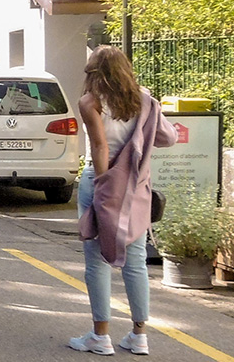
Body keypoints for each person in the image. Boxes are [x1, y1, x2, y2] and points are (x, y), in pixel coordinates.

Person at [69, 46, 176, 356]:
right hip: (136, 185)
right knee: (136, 261)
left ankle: (100, 335)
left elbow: (100, 148)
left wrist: (103, 186)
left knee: (97, 261)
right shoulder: (144, 99)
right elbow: (167, 138)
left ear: (95, 74)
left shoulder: (90, 103)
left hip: (101, 180)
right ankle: (139, 335)